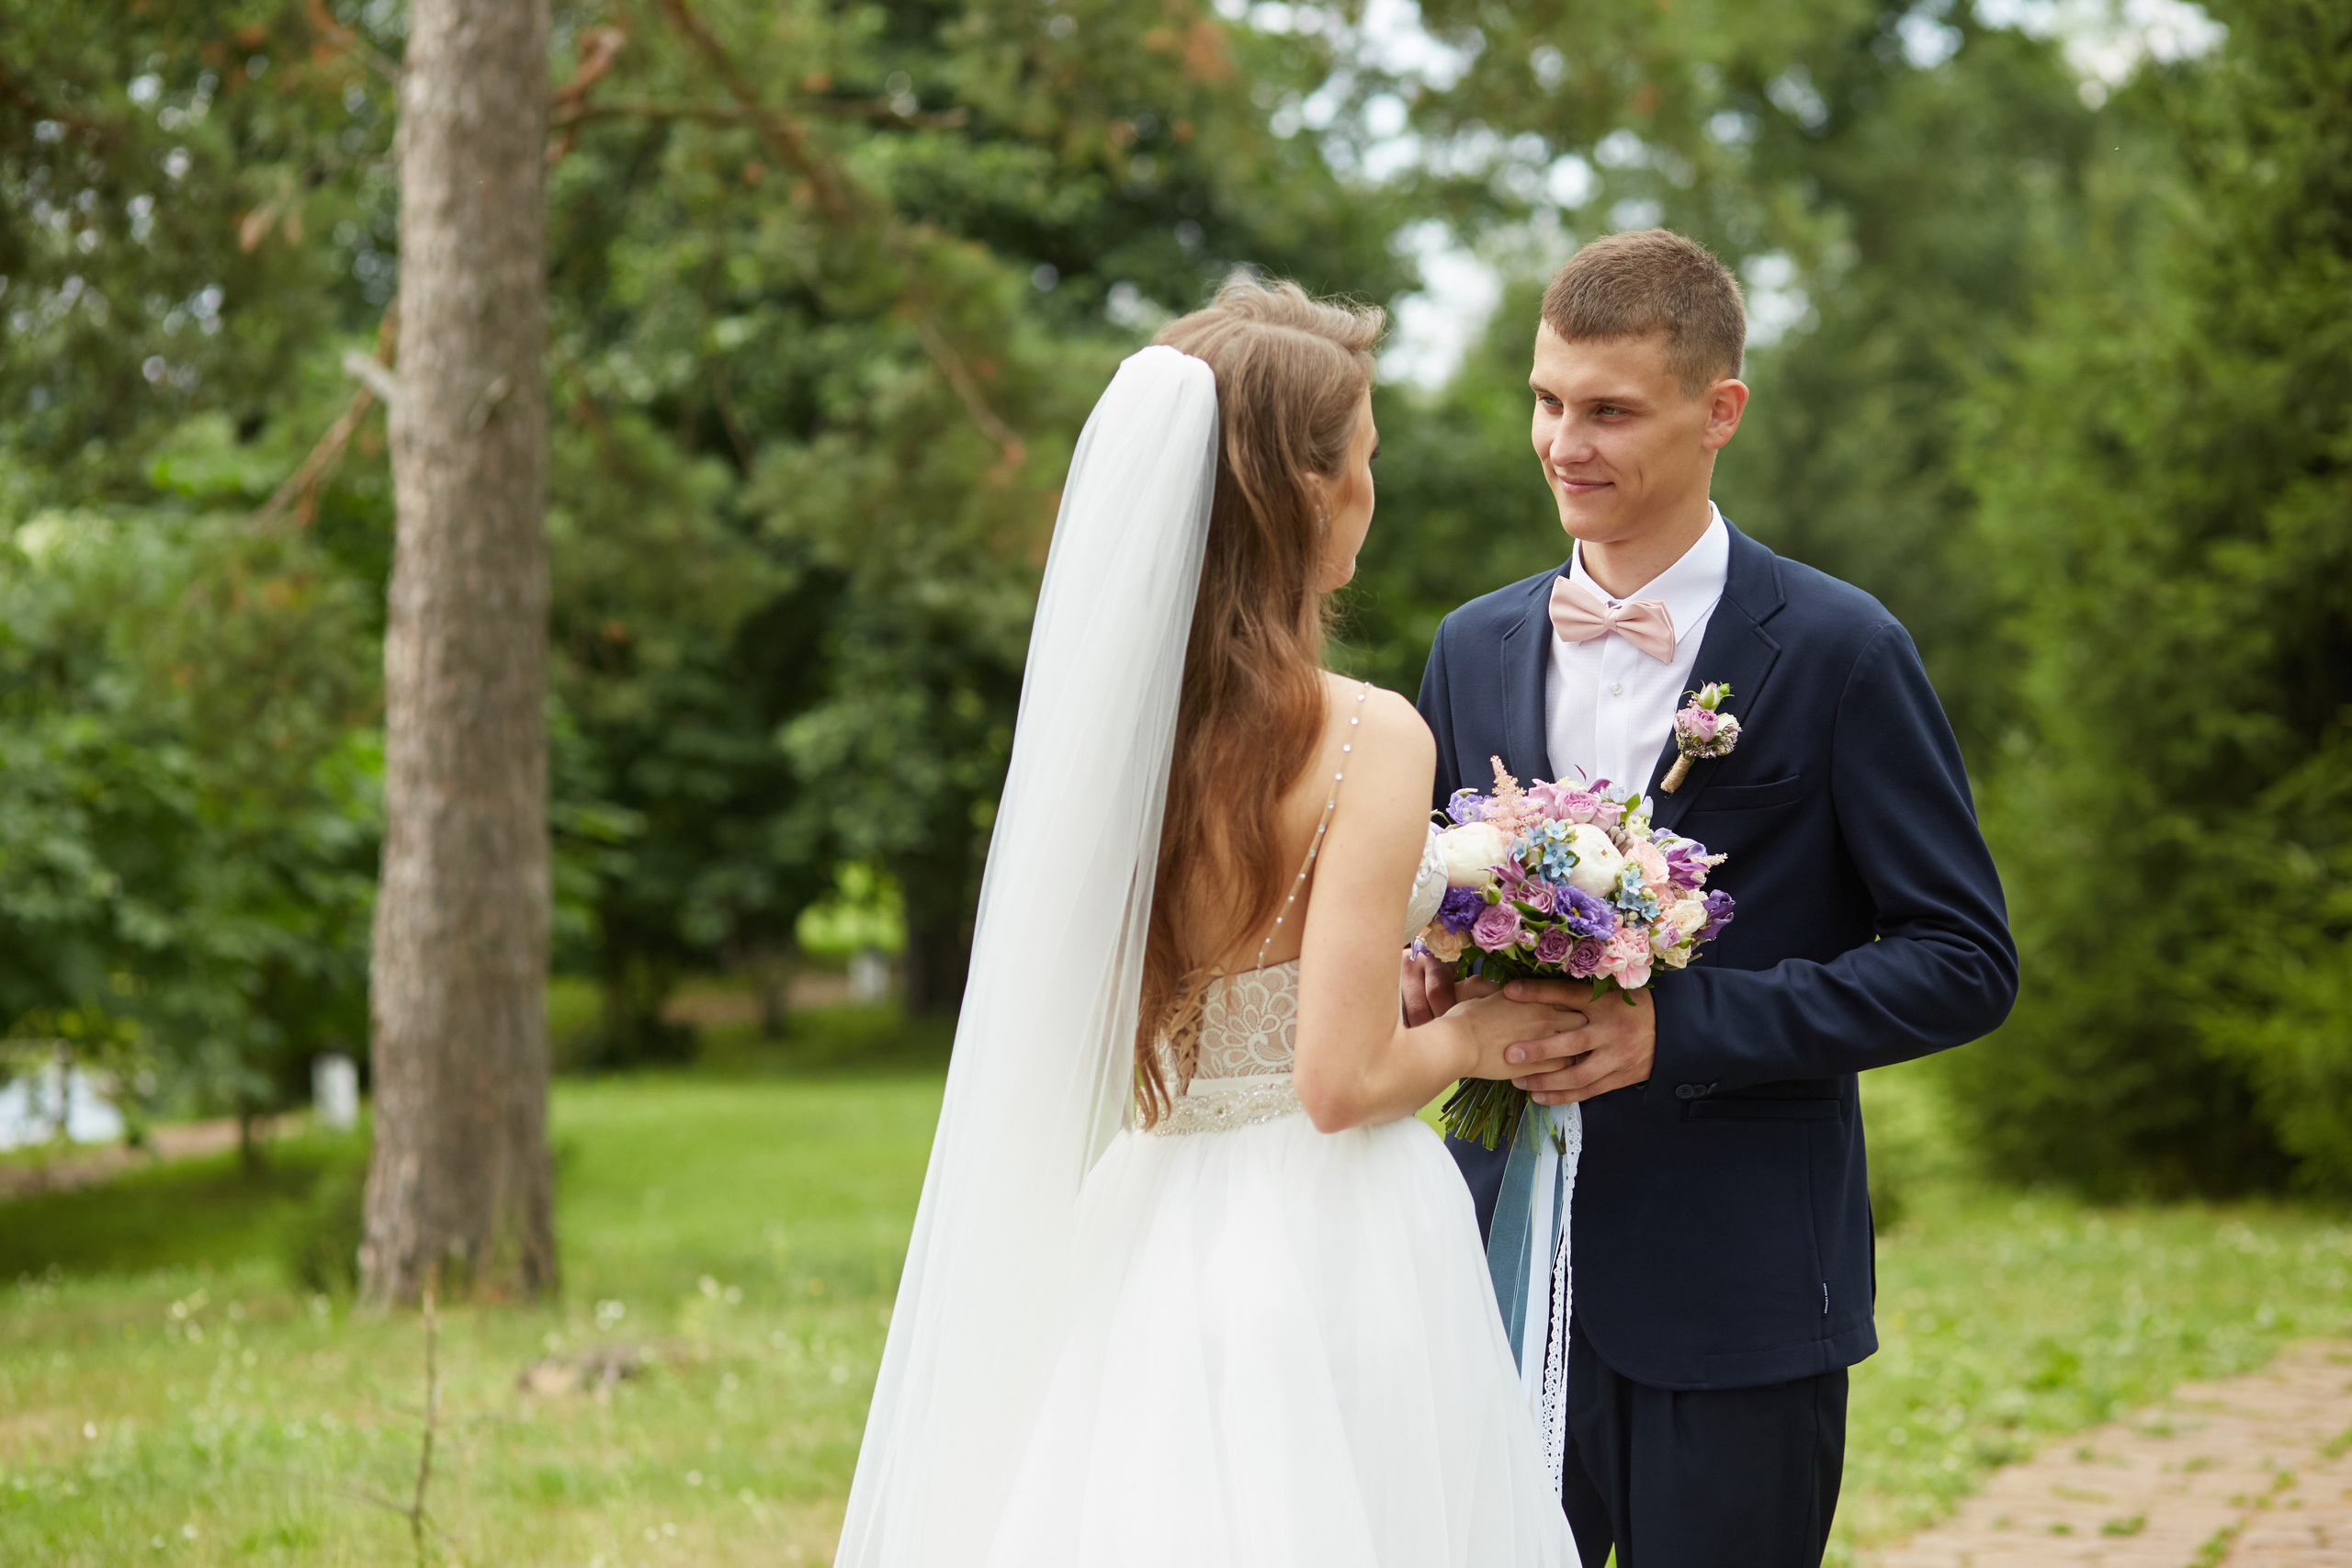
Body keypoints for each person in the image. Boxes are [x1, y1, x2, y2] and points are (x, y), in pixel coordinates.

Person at [836, 281, 1582, 1567]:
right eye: (1365, 463)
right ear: (1307, 491)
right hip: (1334, 1243)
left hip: (1147, 1226)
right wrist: (1482, 1035)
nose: (1370, 492)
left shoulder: (1115, 744)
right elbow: (1340, 1081)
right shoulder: (1364, 737)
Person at [1404, 229, 2019, 1567]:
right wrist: (1426, 973)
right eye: (1547, 401)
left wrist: (1679, 1030)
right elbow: (1430, 907)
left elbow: (1963, 959)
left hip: (1740, 1297)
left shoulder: (1844, 650)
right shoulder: (1469, 645)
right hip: (1491, 1274)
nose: (1566, 442)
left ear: (1719, 410)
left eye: (1611, 410)